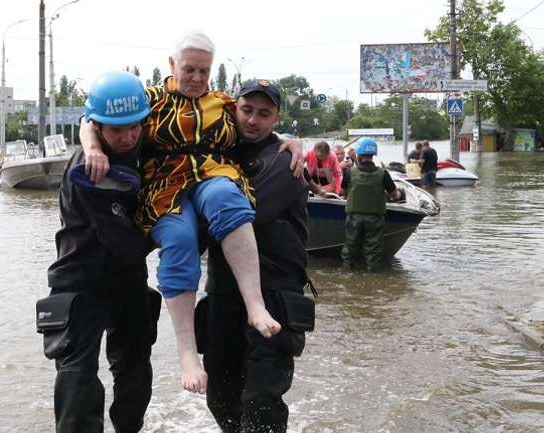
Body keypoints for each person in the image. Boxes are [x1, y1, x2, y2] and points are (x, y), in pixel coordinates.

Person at [79, 31, 302, 394]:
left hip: (214, 174)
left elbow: (258, 128)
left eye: (204, 70)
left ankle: (255, 305)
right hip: (164, 186)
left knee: (228, 200)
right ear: (172, 64)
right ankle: (186, 352)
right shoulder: (149, 99)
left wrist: (291, 142)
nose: (197, 78)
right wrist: (92, 149)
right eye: (189, 69)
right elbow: (91, 119)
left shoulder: (224, 103)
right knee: (179, 237)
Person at [37, 71, 161, 433]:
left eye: (134, 127)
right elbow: (128, 246)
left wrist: (286, 142)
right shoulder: (87, 171)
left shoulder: (144, 146)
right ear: (99, 126)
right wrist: (169, 231)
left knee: (136, 375)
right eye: (116, 130)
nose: (128, 137)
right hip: (80, 281)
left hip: (128, 281)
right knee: (77, 383)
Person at [200, 79, 315, 433]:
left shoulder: (285, 162)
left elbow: (235, 217)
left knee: (262, 399)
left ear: (276, 117)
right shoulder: (218, 154)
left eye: (264, 114)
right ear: (234, 109)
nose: (253, 120)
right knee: (220, 392)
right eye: (247, 110)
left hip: (274, 294)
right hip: (224, 292)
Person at [340, 137, 402, 272]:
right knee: (373, 250)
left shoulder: (349, 172)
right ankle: (373, 277)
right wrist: (399, 195)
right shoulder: (383, 173)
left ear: (358, 154)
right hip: (375, 219)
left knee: (350, 247)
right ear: (373, 154)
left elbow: (343, 193)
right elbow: (394, 195)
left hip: (354, 218)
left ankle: (347, 275)